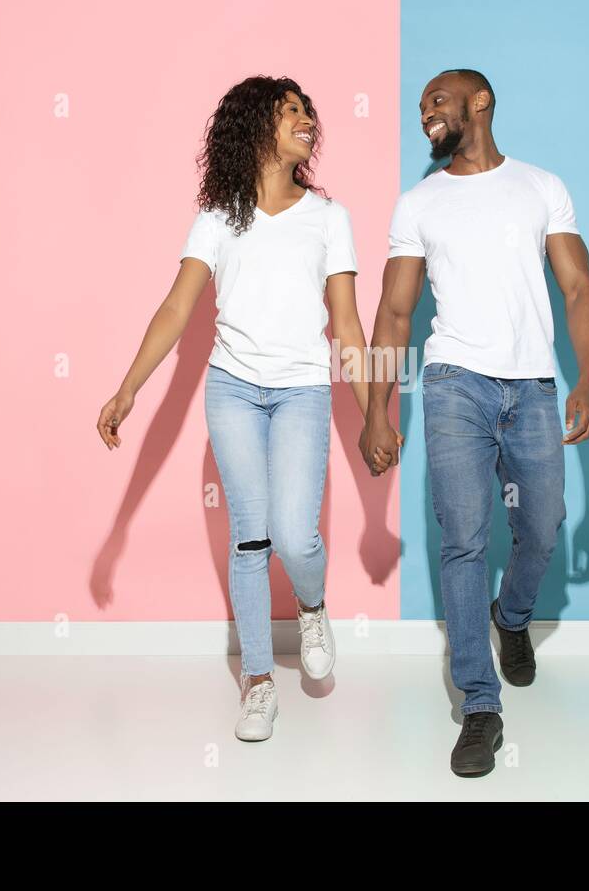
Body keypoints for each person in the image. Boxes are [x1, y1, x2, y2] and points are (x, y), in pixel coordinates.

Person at [98, 75, 381, 742]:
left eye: (309, 110)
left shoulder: (328, 217)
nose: (307, 119)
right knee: (250, 537)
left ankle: (312, 606)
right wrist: (128, 387)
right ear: (256, 127)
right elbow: (176, 308)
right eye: (291, 112)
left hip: (303, 390)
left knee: (296, 534)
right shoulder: (218, 219)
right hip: (232, 389)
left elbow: (347, 323)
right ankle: (258, 683)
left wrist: (375, 413)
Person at [360, 68, 589, 777]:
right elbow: (395, 314)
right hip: (453, 385)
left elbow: (579, 287)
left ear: (481, 103)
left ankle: (514, 618)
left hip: (531, 384)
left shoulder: (541, 187)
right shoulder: (419, 204)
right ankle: (479, 705)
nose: (426, 113)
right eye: (420, 106)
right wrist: (378, 407)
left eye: (438, 100)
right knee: (463, 541)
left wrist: (585, 379)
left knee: (543, 524)